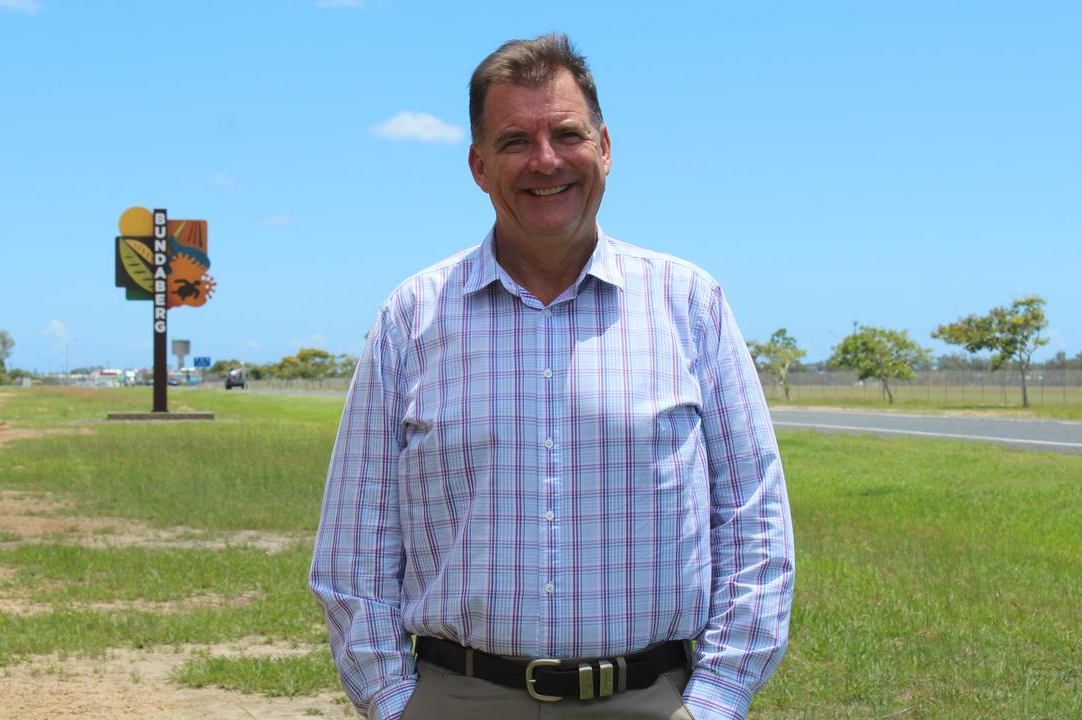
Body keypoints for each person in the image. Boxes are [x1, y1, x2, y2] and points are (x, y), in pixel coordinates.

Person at [311, 34, 794, 720]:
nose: (545, 160)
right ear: (479, 165)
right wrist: (393, 701)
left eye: (566, 134)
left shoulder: (689, 304)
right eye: (514, 141)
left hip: (651, 700)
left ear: (604, 148)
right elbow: (355, 541)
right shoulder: (412, 317)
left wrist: (715, 700)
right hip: (461, 698)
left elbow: (755, 520)